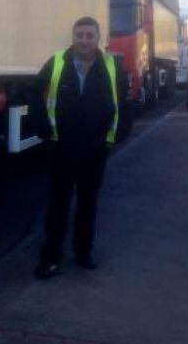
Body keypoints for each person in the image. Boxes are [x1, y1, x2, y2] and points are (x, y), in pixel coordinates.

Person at [34, 16, 125, 279]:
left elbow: (124, 100)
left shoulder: (111, 66)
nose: (84, 40)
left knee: (88, 203)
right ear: (73, 37)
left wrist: (115, 136)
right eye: (80, 35)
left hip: (95, 149)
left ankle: (83, 253)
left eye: (90, 35)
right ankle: (51, 258)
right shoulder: (57, 62)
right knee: (57, 204)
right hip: (61, 147)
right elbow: (33, 93)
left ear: (99, 39)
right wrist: (44, 128)